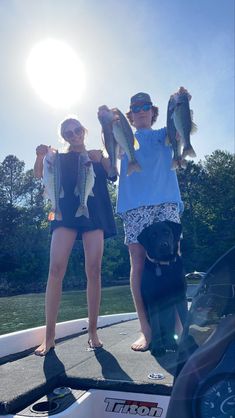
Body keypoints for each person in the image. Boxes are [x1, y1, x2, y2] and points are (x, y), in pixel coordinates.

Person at [34, 116, 116, 356]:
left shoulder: (95, 155)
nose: (74, 135)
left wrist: (103, 158)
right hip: (65, 212)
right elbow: (39, 175)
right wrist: (40, 156)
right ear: (64, 137)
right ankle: (49, 337)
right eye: (68, 133)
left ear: (84, 130)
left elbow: (113, 174)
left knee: (94, 270)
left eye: (77, 130)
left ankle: (93, 332)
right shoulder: (57, 158)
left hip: (95, 212)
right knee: (55, 269)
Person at [116, 92, 184, 351]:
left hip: (166, 200)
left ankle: (180, 328)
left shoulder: (164, 134)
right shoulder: (122, 136)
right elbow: (109, 141)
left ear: (153, 112)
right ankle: (146, 331)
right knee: (138, 262)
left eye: (146, 107)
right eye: (135, 108)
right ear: (130, 116)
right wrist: (108, 118)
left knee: (175, 258)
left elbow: (182, 124)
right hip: (134, 205)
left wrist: (181, 101)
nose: (141, 110)